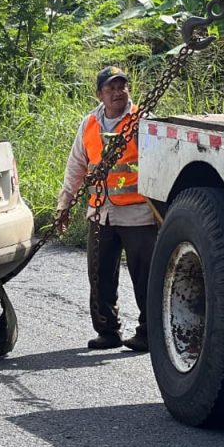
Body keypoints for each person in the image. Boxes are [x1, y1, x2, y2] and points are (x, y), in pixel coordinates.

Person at [56, 66, 158, 352]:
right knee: (99, 275)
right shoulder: (89, 123)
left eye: (122, 86)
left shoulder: (142, 120)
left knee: (146, 277)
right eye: (111, 88)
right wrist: (64, 203)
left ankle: (150, 333)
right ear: (100, 94)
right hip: (101, 212)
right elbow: (76, 165)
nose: (118, 92)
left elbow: (159, 164)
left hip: (138, 214)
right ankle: (107, 331)